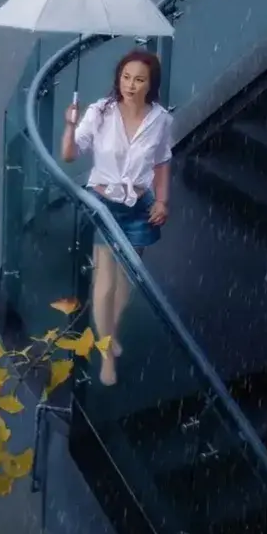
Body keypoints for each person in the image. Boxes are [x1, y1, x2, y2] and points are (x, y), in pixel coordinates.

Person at [60, 49, 172, 385]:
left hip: (139, 205)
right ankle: (106, 354)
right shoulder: (100, 111)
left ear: (151, 84)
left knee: (129, 280)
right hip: (104, 204)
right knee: (105, 282)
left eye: (139, 79)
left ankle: (106, 331)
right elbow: (69, 155)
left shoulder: (161, 120)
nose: (131, 85)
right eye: (126, 77)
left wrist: (163, 201)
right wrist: (69, 125)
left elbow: (163, 162)